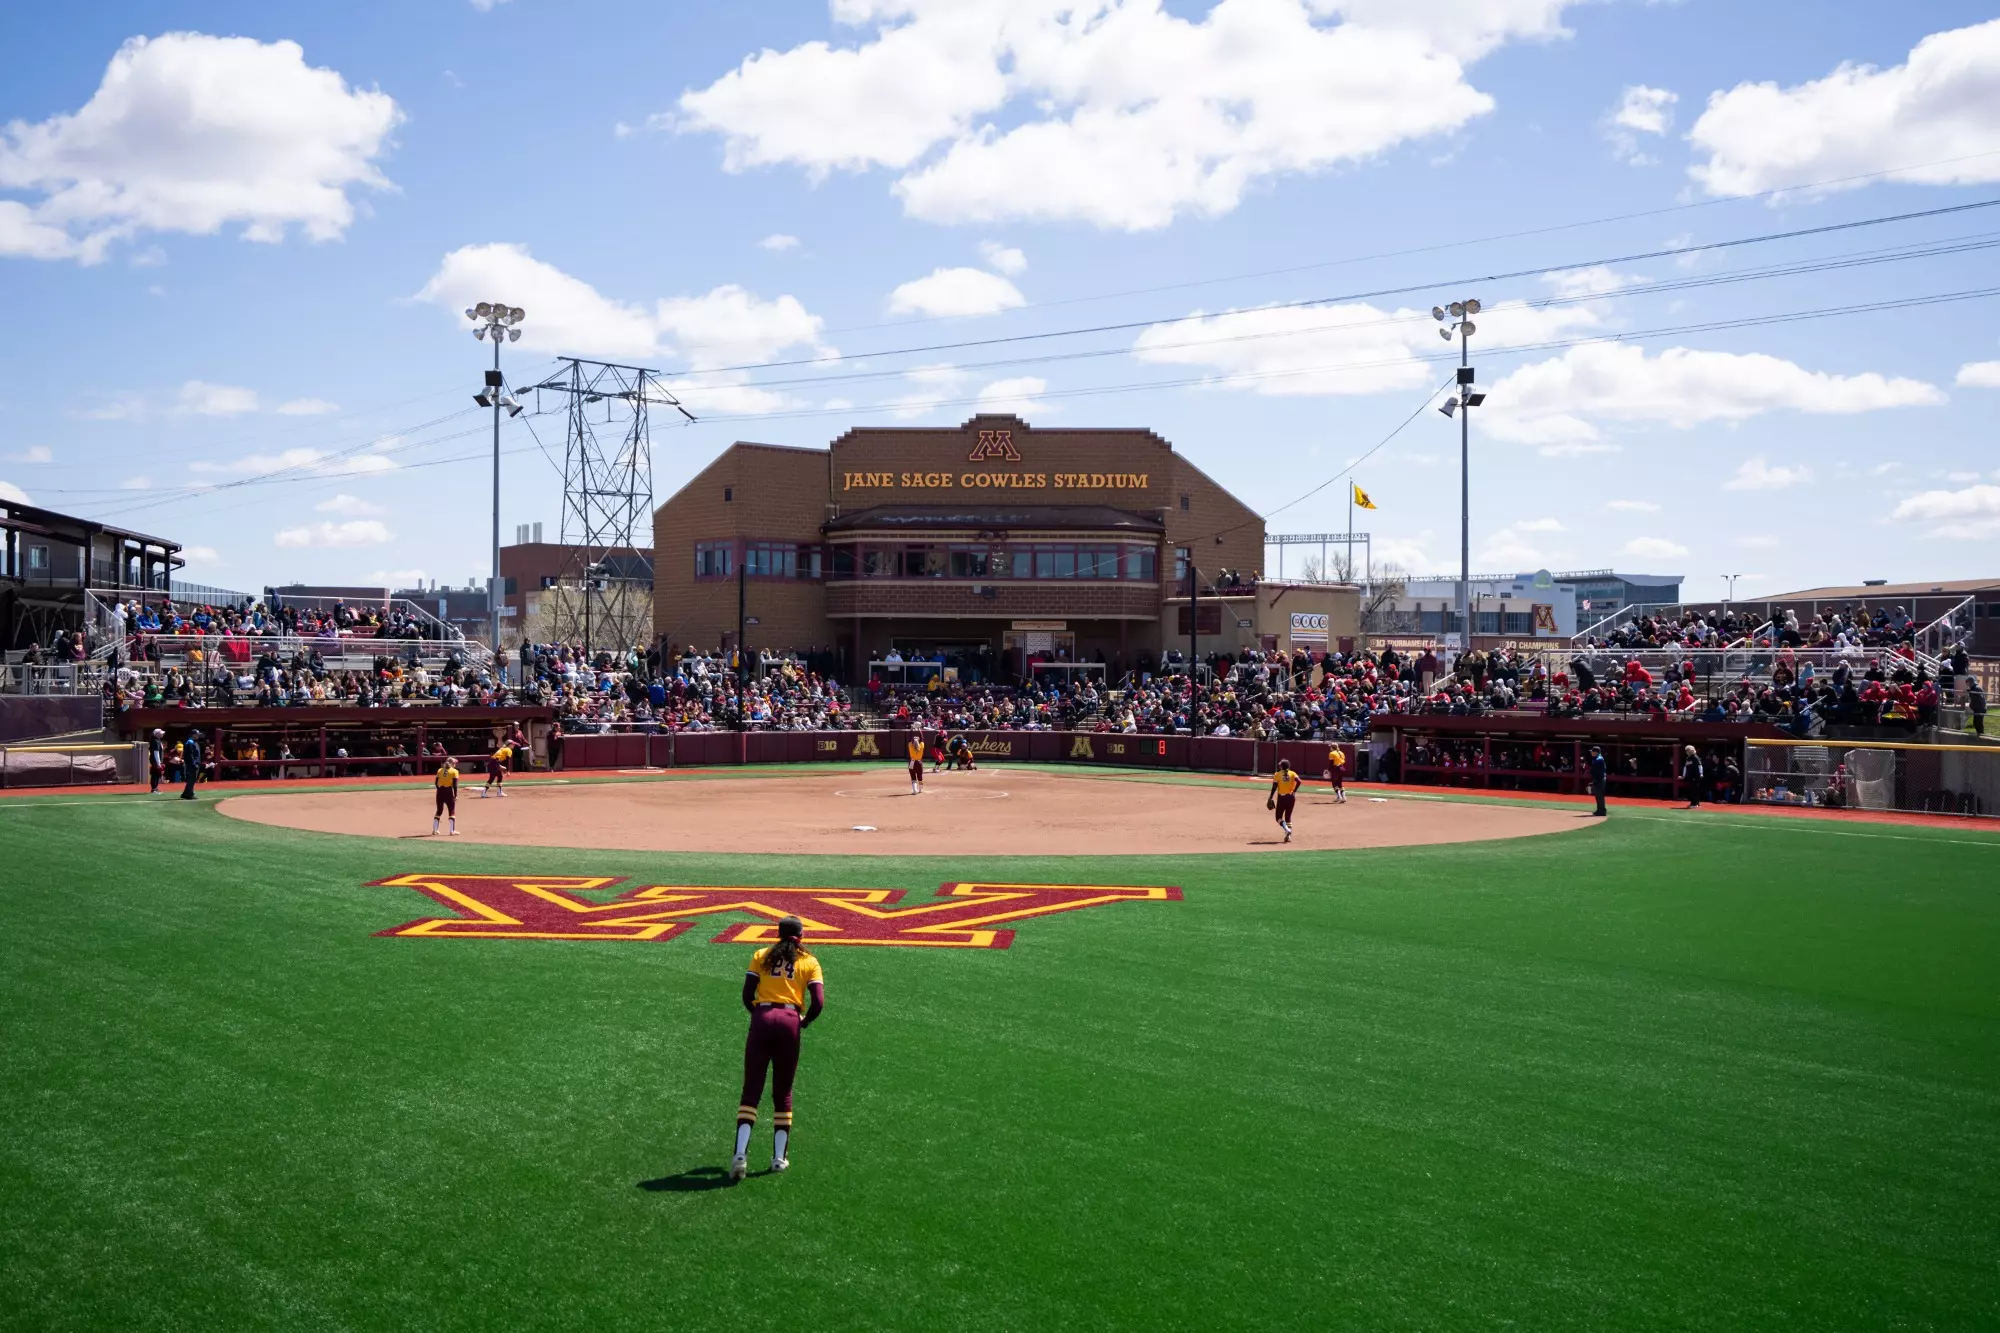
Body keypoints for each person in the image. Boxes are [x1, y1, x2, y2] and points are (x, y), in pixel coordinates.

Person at [731, 915, 824, 1181]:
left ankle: (740, 1155)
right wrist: (802, 1022)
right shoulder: (810, 961)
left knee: (751, 1091)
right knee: (782, 1093)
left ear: (778, 934)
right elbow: (818, 1002)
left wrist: (759, 1015)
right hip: (789, 1023)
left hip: (762, 1019)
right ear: (801, 936)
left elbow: (747, 995)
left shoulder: (761, 954)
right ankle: (779, 1159)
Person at [1267, 759, 1301, 842]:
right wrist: (1294, 791)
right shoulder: (1293, 773)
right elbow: (1299, 781)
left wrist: (1270, 797)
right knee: (1288, 817)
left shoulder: (1277, 774)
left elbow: (1274, 787)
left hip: (1282, 798)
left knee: (1278, 817)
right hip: (1291, 798)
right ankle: (1288, 837)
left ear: (1281, 766)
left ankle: (1286, 829)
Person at [432, 755, 460, 835]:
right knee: (451, 810)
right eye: (455, 763)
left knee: (439, 810)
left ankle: (435, 830)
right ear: (452, 763)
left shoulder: (440, 770)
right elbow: (455, 785)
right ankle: (452, 831)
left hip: (440, 791)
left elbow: (436, 783)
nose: (455, 765)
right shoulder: (455, 771)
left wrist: (439, 789)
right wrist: (455, 795)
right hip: (449, 791)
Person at [180, 729, 202, 801]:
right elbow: (190, 755)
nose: (198, 735)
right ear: (193, 734)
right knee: (192, 779)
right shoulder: (190, 742)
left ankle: (185, 794)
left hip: (194, 763)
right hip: (192, 764)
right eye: (197, 734)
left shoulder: (193, 742)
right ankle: (190, 794)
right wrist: (193, 763)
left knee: (192, 779)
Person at [1680, 745, 1704, 809]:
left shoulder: (1696, 757)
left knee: (1695, 790)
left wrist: (1701, 773)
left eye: (1688, 750)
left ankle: (1695, 803)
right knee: (1691, 790)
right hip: (1690, 777)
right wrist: (1683, 776)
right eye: (1686, 751)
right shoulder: (1687, 758)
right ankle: (1694, 803)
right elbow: (1685, 767)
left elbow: (1700, 766)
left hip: (1695, 776)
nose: (1687, 752)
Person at [1587, 745, 1608, 817]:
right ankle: (1599, 810)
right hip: (1599, 778)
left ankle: (1602, 811)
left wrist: (1595, 780)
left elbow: (1597, 772)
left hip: (1600, 779)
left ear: (1596, 752)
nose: (1591, 753)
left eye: (1592, 751)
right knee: (1597, 795)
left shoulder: (1599, 759)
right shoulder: (1597, 758)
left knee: (1599, 795)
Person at [906, 731, 926, 795]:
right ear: (919, 740)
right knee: (920, 776)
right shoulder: (921, 745)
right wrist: (919, 730)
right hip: (919, 762)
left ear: (912, 741)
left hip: (912, 762)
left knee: (913, 777)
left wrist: (911, 730)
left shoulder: (910, 745)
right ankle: (920, 790)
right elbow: (922, 738)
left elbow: (909, 739)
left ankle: (915, 791)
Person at [148, 728, 165, 795]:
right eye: (161, 733)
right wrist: (158, 763)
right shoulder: (156, 741)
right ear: (157, 734)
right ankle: (154, 789)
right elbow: (156, 752)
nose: (162, 734)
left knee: (157, 774)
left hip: (156, 761)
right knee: (155, 774)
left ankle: (155, 788)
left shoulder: (157, 741)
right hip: (155, 761)